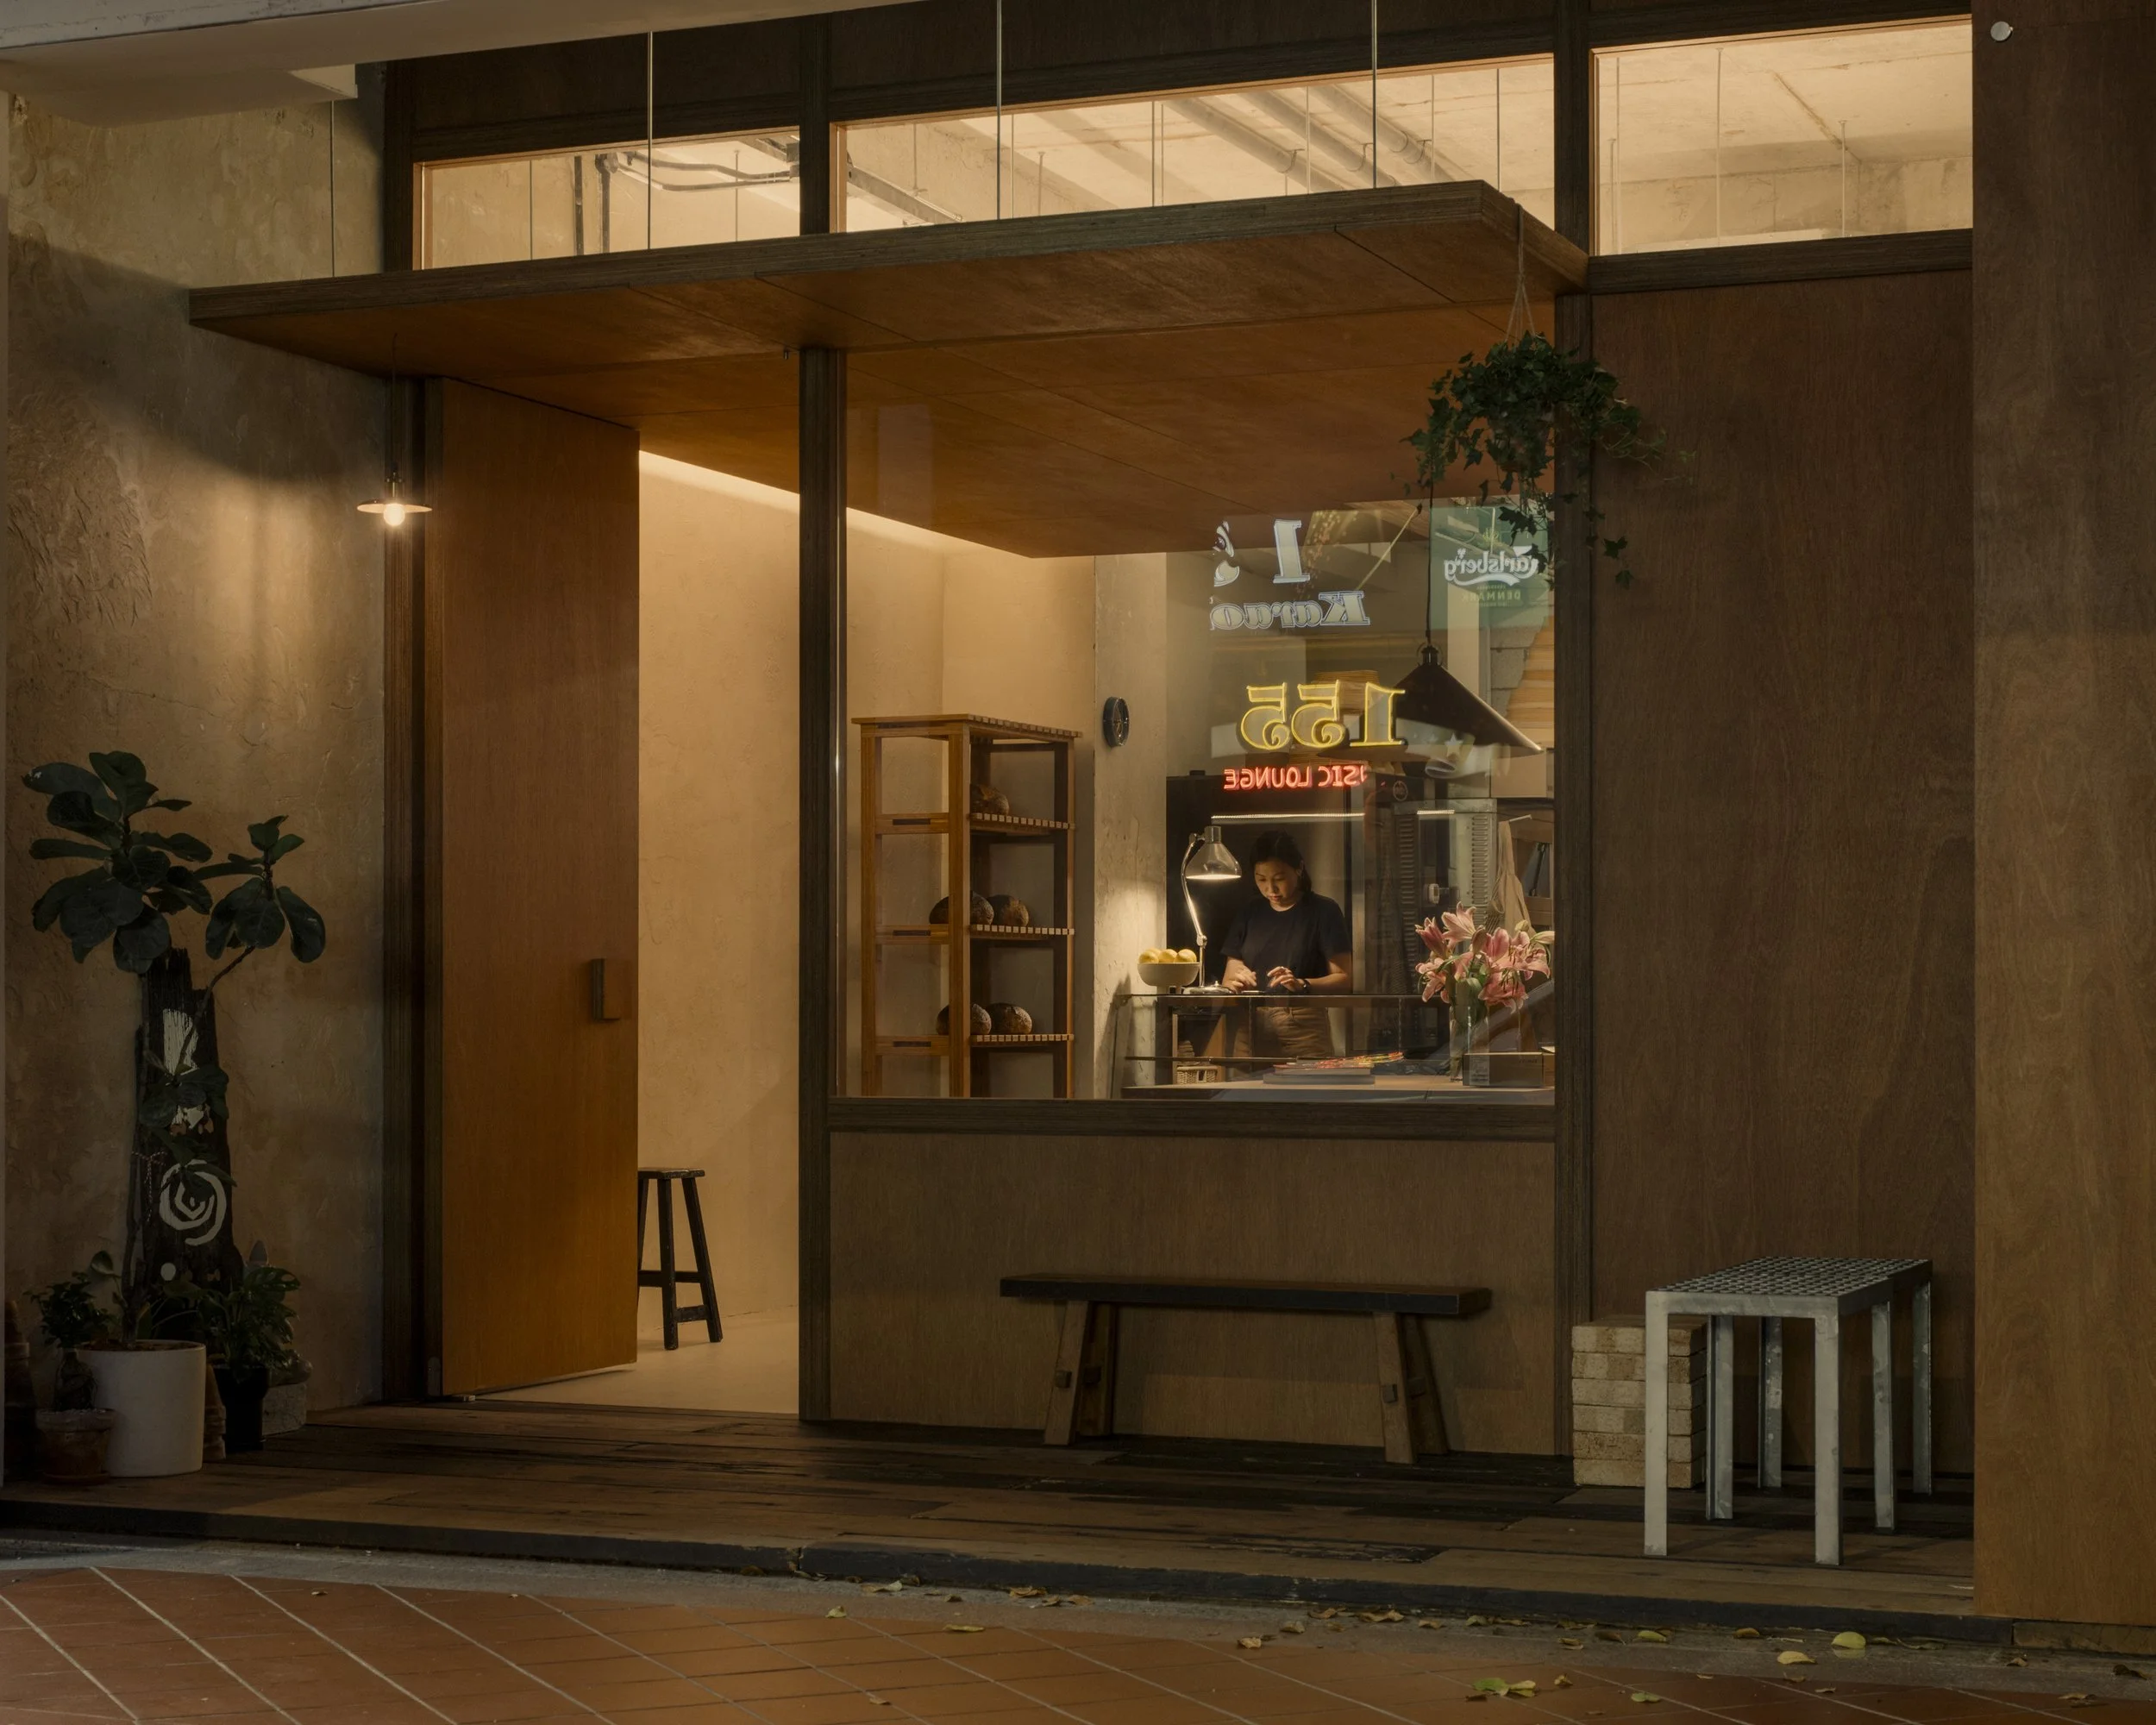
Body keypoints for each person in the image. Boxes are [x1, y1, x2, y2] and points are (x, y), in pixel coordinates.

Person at [1219, 831, 1354, 1060]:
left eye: (1279, 878)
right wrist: (1237, 979)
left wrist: (1301, 984)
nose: (1270, 889)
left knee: (1302, 1093)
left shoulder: (1323, 911)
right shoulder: (1250, 912)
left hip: (1302, 1025)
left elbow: (1344, 980)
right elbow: (1229, 973)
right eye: (1261, 879)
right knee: (1246, 1093)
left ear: (1299, 869)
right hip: (1250, 1023)